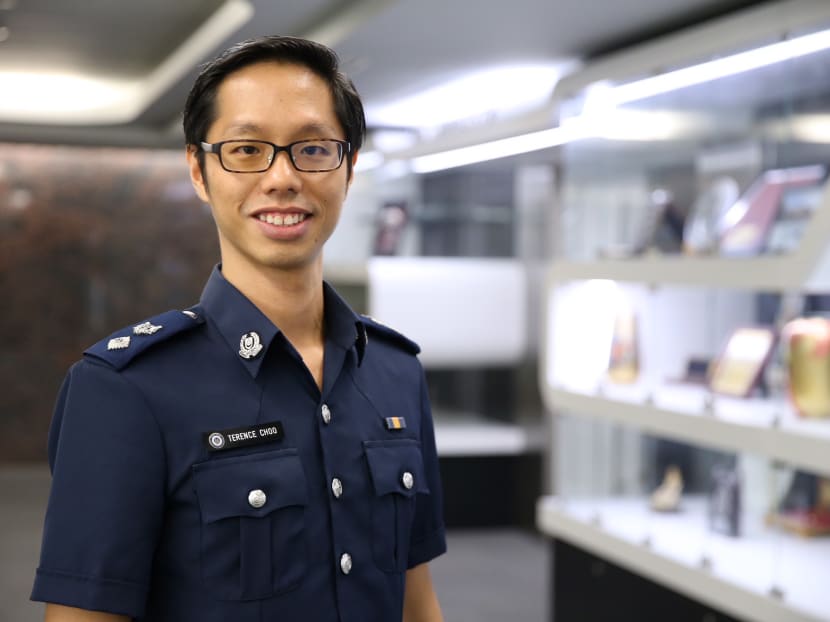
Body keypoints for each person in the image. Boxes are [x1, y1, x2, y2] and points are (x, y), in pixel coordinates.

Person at [30, 35, 446, 622]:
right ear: (199, 171)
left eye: (313, 149)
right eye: (247, 150)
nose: (282, 177)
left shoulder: (395, 371)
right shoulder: (125, 389)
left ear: (349, 168)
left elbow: (416, 600)